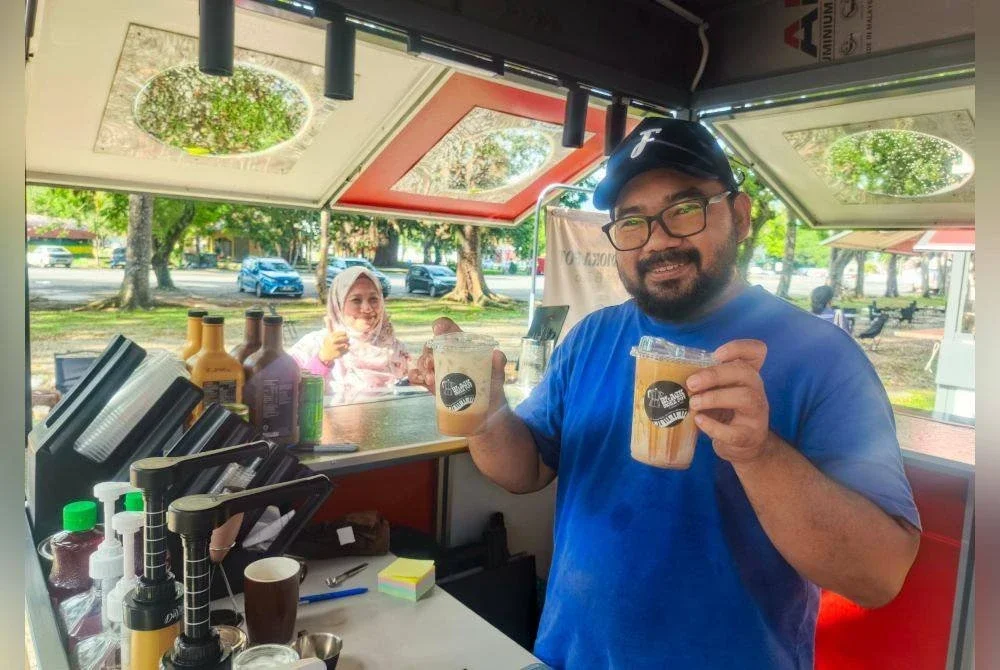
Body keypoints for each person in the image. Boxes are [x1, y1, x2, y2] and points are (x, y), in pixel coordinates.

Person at [410, 118, 920, 669]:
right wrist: (486, 411)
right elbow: (526, 471)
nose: (658, 240)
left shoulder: (823, 358)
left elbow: (878, 575)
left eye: (684, 209)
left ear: (741, 216)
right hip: (570, 656)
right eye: (632, 222)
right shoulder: (592, 336)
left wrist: (757, 452)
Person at [289, 266, 410, 399]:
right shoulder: (314, 345)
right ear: (338, 305)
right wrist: (323, 359)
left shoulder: (395, 349)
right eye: (356, 300)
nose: (367, 308)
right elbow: (286, 393)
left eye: (373, 299)